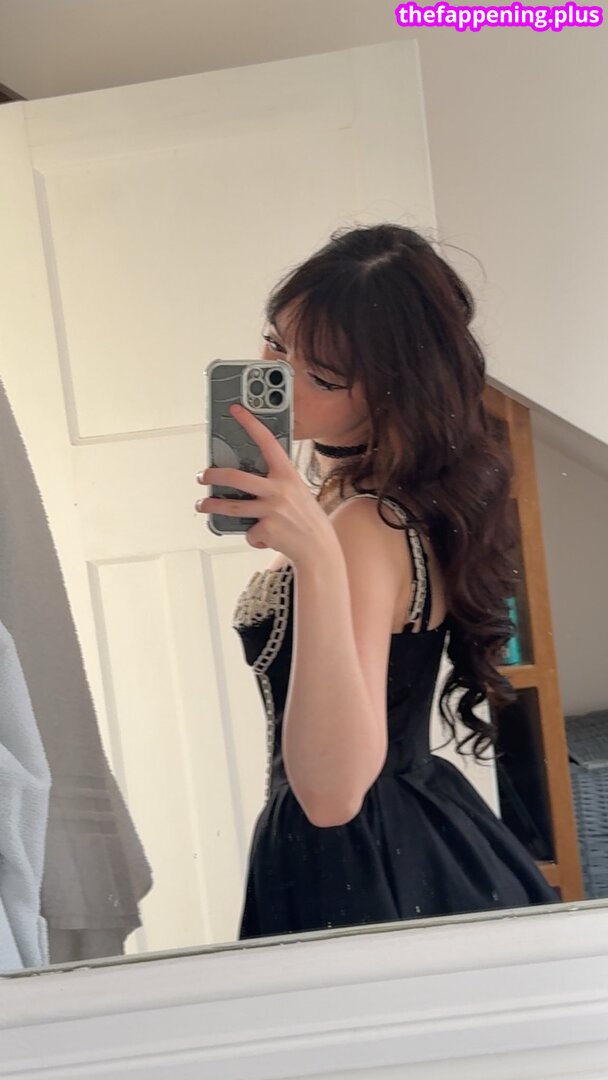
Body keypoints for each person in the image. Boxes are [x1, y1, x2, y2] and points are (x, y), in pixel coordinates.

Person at [195, 223, 557, 939]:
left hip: (359, 859)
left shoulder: (364, 523)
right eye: (275, 345)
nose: (282, 380)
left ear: (396, 391)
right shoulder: (364, 500)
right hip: (405, 829)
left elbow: (331, 796)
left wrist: (319, 558)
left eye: (323, 376)